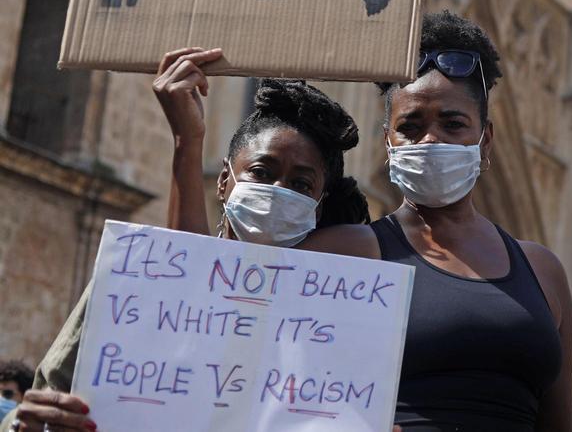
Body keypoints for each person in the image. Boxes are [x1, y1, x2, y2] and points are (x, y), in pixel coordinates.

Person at [211, 11, 572, 431]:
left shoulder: (543, 270)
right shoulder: (341, 253)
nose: (431, 139)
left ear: (485, 138)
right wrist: (189, 146)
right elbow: (210, 326)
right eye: (411, 126)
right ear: (388, 141)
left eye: (452, 123)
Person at [5, 49, 370, 432]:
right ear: (224, 181)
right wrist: (30, 424)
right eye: (261, 172)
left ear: (318, 204)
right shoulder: (134, 281)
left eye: (300, 184)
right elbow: (41, 400)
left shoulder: (330, 319)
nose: (277, 191)